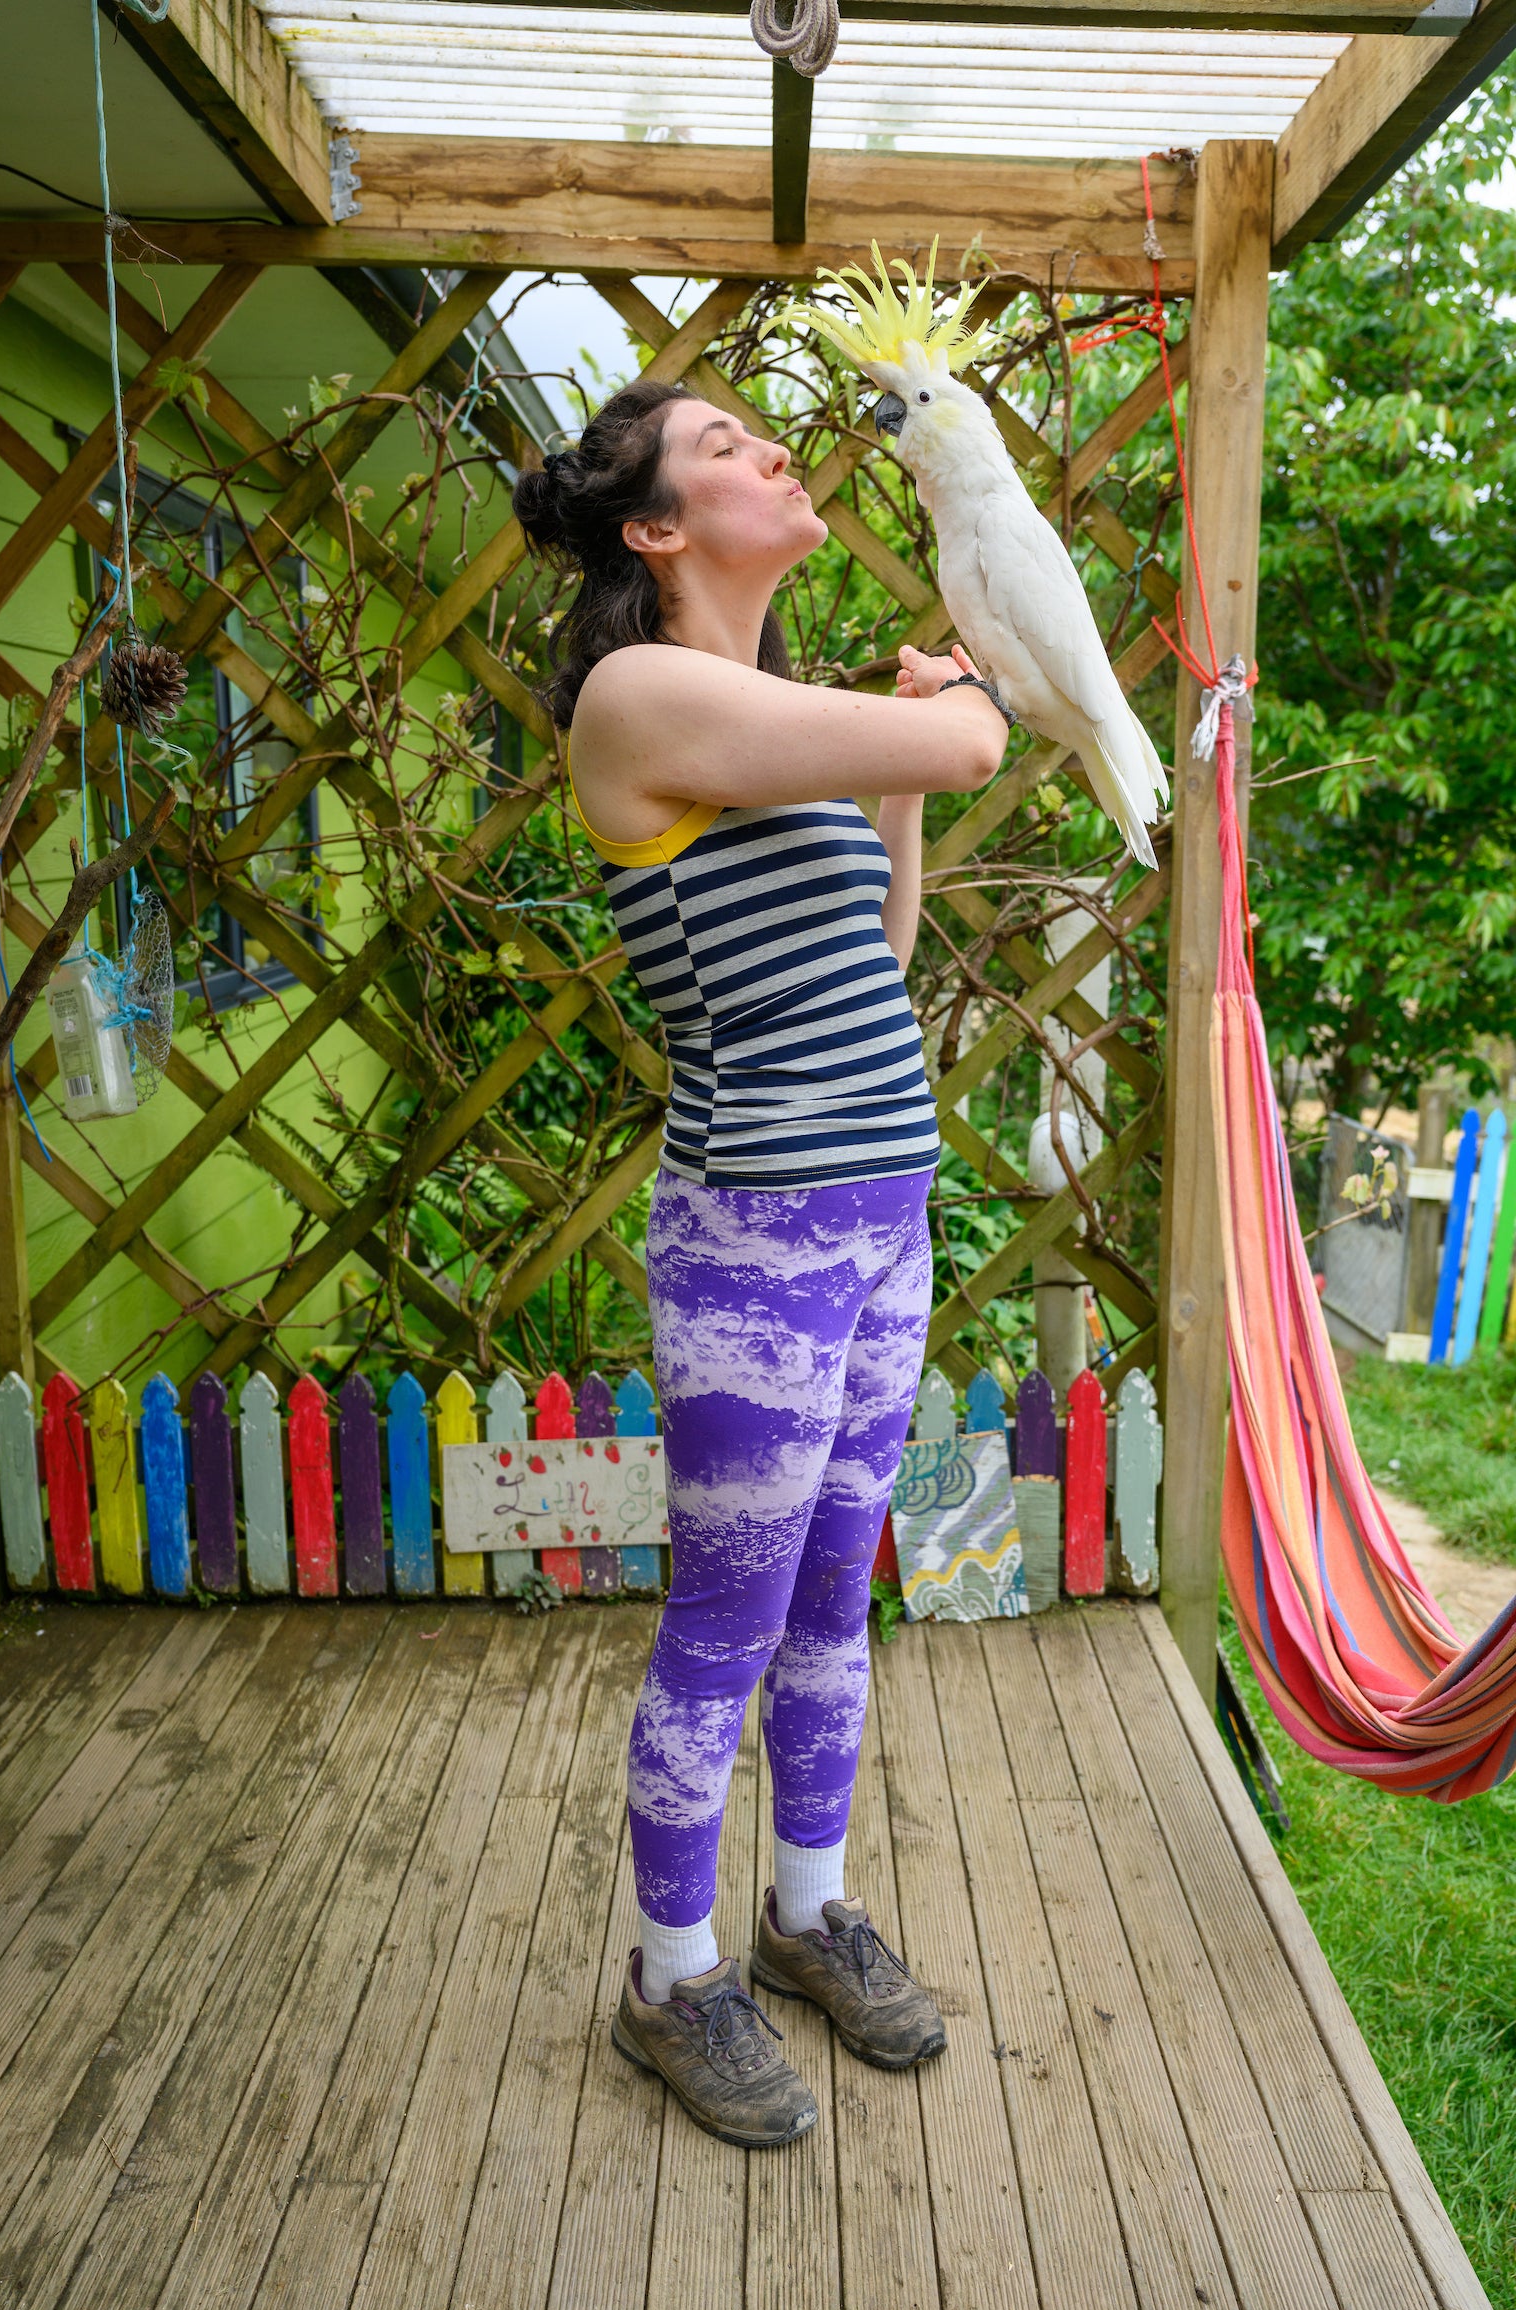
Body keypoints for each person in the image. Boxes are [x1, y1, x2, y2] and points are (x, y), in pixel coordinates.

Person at [512, 380, 1008, 2149]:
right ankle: (669, 1972)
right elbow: (963, 748)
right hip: (757, 1241)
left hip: (882, 1214)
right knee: (723, 1622)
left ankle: (804, 1917)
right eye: (722, 448)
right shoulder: (642, 695)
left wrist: (900, 766)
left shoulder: (762, 719)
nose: (771, 451)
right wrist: (954, 704)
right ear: (654, 531)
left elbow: (875, 948)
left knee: (831, 1599)